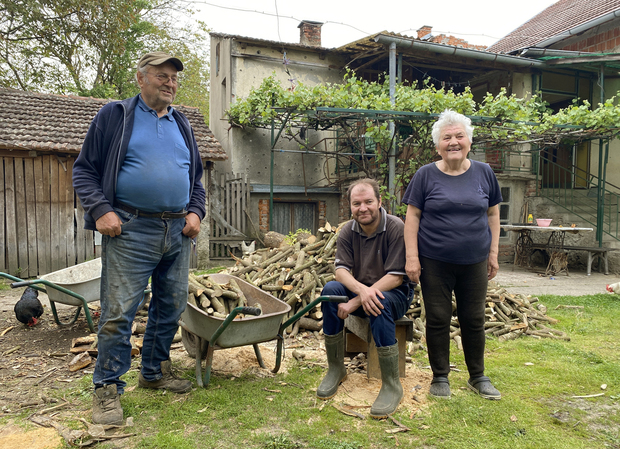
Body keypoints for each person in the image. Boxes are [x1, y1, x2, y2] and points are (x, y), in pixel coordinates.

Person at [73, 51, 206, 425]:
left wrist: (196, 211)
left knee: (172, 306)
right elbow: (84, 171)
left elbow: (195, 180)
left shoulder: (183, 124)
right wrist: (101, 210)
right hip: (131, 228)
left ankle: (153, 372)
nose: (170, 82)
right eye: (161, 75)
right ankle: (106, 390)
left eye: (174, 77)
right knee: (117, 314)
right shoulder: (115, 116)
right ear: (140, 78)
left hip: (177, 230)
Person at [402, 109, 502, 400]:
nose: (453, 142)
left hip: (475, 261)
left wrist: (493, 253)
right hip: (434, 261)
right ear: (438, 146)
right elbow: (413, 218)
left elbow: (493, 214)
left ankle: (478, 376)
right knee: (437, 317)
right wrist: (412, 257)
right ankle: (440, 377)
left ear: (469, 141)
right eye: (447, 137)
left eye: (460, 136)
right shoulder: (425, 175)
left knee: (473, 318)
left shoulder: (484, 173)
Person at [317, 178, 414, 418]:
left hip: (394, 294)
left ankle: (392, 385)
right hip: (363, 290)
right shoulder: (348, 231)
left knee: (378, 302)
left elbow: (395, 278)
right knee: (330, 291)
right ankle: (336, 368)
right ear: (350, 206)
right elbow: (340, 272)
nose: (363, 208)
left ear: (379, 201)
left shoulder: (395, 227)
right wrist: (361, 292)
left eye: (369, 202)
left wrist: (355, 301)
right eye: (356, 203)